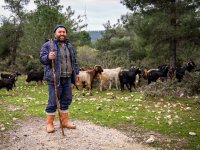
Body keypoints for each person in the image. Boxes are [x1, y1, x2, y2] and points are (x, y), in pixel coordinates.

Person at [40, 25, 79, 133]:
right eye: (59, 32)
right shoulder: (48, 45)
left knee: (66, 100)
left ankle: (64, 122)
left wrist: (76, 73)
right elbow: (42, 59)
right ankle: (49, 123)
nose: (62, 34)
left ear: (66, 34)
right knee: (53, 101)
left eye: (64, 32)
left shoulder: (69, 46)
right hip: (54, 78)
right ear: (55, 34)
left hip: (67, 78)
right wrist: (48, 57)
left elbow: (74, 60)